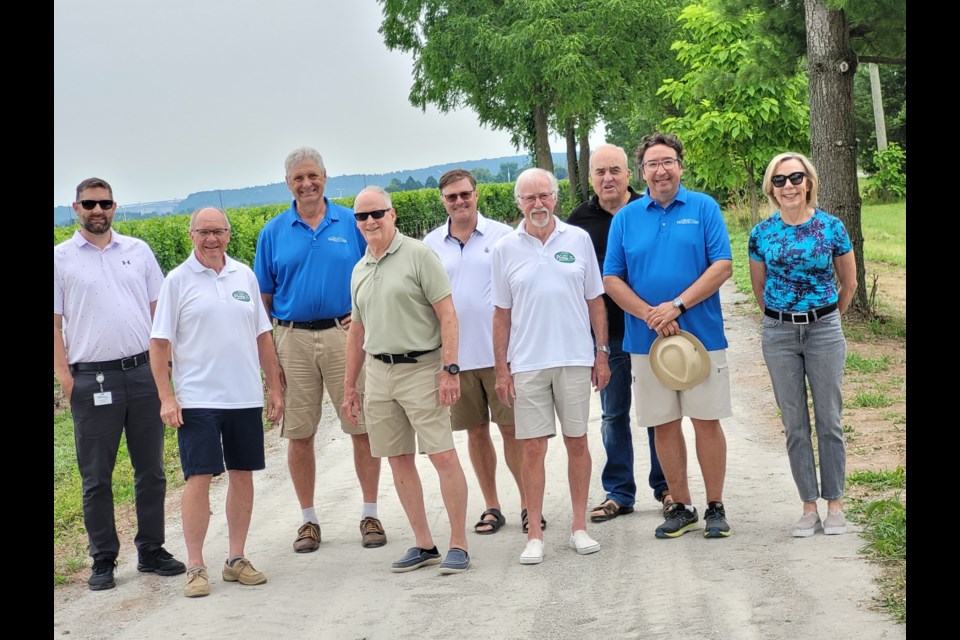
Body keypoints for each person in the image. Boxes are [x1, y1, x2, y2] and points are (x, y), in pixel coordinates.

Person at [54, 177, 185, 591]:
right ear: (76, 208)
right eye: (89, 204)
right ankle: (103, 558)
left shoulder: (138, 251)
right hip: (91, 378)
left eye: (104, 203)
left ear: (114, 206)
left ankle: (150, 549)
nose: (98, 210)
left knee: (151, 470)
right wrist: (64, 377)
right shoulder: (60, 259)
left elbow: (159, 313)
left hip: (143, 372)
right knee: (97, 476)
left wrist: (166, 370)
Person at [254, 147, 386, 552]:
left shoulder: (351, 222)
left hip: (344, 336)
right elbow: (264, 296)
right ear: (288, 184)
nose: (307, 184)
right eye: (298, 178)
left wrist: (361, 316)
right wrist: (274, 350)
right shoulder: (273, 232)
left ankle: (370, 513)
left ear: (325, 178)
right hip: (292, 338)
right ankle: (308, 520)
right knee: (299, 433)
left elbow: (378, 269)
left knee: (360, 425)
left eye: (313, 176)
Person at [603, 133, 734, 539]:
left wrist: (675, 306)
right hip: (647, 343)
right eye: (652, 164)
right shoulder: (626, 217)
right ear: (641, 173)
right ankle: (681, 506)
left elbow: (723, 266)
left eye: (668, 162)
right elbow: (611, 278)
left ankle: (715, 506)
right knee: (663, 424)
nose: (660, 170)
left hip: (701, 337)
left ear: (680, 165)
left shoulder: (704, 207)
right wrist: (650, 315)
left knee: (706, 421)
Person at [149, 207, 284, 598]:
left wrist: (273, 388)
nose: (212, 239)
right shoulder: (177, 281)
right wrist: (167, 397)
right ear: (191, 235)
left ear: (228, 234)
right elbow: (159, 344)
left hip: (243, 397)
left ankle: (236, 559)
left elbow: (263, 336)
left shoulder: (244, 274)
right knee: (199, 478)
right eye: (204, 232)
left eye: (218, 231)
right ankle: (195, 566)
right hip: (197, 400)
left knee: (242, 474)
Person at [342, 186, 471, 575]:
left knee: (442, 455)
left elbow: (447, 314)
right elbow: (357, 331)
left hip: (422, 367)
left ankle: (459, 544)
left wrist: (450, 369)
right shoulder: (360, 268)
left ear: (392, 214)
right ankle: (423, 543)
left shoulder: (419, 255)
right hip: (379, 373)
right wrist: (351, 385)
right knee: (397, 459)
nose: (369, 222)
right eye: (361, 217)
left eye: (376, 214)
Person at [491, 168, 610, 565]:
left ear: (555, 198)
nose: (537, 204)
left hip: (575, 358)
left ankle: (579, 527)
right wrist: (502, 369)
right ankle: (535, 534)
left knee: (577, 442)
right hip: (527, 364)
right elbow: (501, 314)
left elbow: (596, 300)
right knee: (532, 449)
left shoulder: (577, 240)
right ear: (519, 204)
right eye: (529, 198)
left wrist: (602, 352)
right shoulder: (505, 248)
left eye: (544, 196)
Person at [748, 152, 858, 537]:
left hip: (824, 329)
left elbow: (849, 284)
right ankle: (808, 506)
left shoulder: (831, 227)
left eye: (795, 178)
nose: (789, 186)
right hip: (778, 333)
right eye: (780, 181)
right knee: (795, 423)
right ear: (771, 188)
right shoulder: (761, 234)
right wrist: (783, 318)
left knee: (829, 418)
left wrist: (827, 317)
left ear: (808, 181)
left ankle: (835, 505)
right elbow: (759, 289)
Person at [566, 144, 673, 523]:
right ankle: (619, 492)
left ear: (630, 174)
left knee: (658, 412)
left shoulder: (649, 211)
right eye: (600, 172)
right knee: (613, 415)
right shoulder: (577, 221)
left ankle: (666, 488)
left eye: (615, 170)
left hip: (649, 330)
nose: (608, 178)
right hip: (607, 335)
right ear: (591, 178)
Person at [423, 169, 526, 536]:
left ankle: (529, 505)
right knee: (476, 433)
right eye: (451, 197)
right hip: (457, 359)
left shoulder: (503, 236)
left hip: (502, 354)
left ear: (476, 194)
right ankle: (492, 506)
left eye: (465, 194)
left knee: (513, 430)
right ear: (443, 201)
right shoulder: (431, 244)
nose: (459, 201)